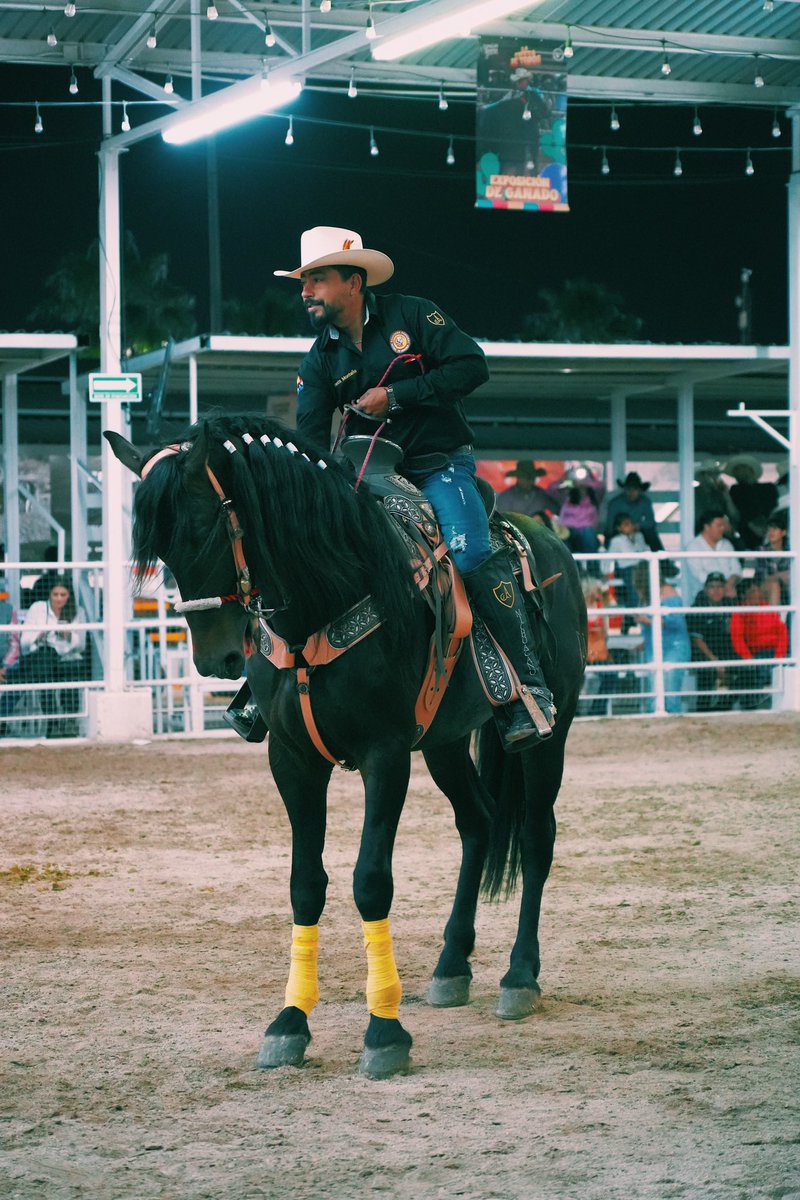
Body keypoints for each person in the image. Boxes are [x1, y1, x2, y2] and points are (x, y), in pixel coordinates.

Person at [274, 225, 555, 748]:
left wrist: (398, 396)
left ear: (353, 281)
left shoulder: (413, 315)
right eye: (304, 280)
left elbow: (472, 366)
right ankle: (266, 682)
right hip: (365, 474)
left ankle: (525, 691)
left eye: (316, 279)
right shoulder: (318, 358)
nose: (305, 291)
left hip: (438, 464)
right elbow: (310, 443)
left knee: (470, 557)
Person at [16, 576, 87, 736]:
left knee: (70, 673)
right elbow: (24, 643)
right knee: (45, 668)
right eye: (55, 594)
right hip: (45, 658)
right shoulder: (37, 608)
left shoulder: (78, 611)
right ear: (49, 594)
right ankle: (53, 721)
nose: (59, 599)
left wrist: (69, 637)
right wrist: (39, 636)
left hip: (67, 659)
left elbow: (82, 646)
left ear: (69, 595)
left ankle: (68, 720)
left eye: (63, 595)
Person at [633, 560, 691, 714]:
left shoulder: (669, 592)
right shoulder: (647, 596)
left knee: (670, 685)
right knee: (655, 687)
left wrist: (647, 620)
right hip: (654, 647)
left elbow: (675, 622)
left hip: (674, 646)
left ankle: (672, 716)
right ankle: (656, 716)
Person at [730, 577, 788, 710]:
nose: (756, 594)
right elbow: (737, 639)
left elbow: (782, 632)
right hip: (755, 654)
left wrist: (779, 656)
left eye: (757, 590)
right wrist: (748, 658)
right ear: (744, 594)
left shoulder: (767, 607)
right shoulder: (740, 611)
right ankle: (752, 705)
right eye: (752, 591)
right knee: (756, 670)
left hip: (775, 652)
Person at [686, 571, 740, 712]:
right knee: (706, 672)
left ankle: (727, 706)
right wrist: (715, 661)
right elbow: (697, 640)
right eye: (712, 587)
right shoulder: (697, 608)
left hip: (726, 651)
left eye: (720, 586)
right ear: (705, 589)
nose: (716, 591)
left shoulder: (730, 605)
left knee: (746, 668)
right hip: (704, 653)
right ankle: (703, 710)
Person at [683, 509, 742, 602]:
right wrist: (719, 588)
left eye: (723, 525)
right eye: (719, 526)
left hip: (728, 592)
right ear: (707, 527)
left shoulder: (727, 544)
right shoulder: (693, 546)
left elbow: (736, 569)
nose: (723, 528)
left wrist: (729, 585)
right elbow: (698, 574)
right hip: (704, 594)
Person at [725, 455, 779, 551]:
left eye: (742, 469)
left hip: (768, 530)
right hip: (745, 533)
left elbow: (773, 508)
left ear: (750, 470)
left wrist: (765, 526)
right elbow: (736, 512)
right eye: (736, 470)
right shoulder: (735, 490)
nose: (739, 473)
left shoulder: (768, 488)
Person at [603, 512, 649, 621]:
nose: (629, 526)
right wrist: (605, 572)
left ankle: (638, 617)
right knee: (634, 592)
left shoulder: (639, 536)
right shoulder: (616, 541)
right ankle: (631, 619)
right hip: (627, 569)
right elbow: (608, 558)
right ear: (619, 528)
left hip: (642, 567)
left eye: (630, 523)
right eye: (625, 524)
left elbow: (645, 549)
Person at [603, 471, 663, 552]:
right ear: (624, 489)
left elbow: (651, 522)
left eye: (635, 489)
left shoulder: (645, 501)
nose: (632, 492)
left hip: (638, 529)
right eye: (629, 489)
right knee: (613, 540)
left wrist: (636, 526)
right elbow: (609, 527)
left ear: (640, 490)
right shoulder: (615, 503)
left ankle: (663, 561)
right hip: (619, 531)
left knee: (651, 534)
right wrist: (624, 528)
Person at [755, 509, 790, 609]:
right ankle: (774, 623)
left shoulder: (790, 550)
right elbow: (762, 576)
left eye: (775, 529)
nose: (771, 532)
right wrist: (781, 576)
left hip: (788, 588)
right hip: (765, 587)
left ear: (783, 532)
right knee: (774, 585)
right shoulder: (761, 550)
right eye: (769, 529)